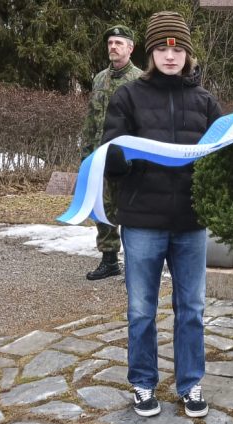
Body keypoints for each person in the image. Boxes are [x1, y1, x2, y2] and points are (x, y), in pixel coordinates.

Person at [101, 11, 233, 419]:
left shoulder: (204, 102)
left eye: (178, 48)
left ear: (188, 53)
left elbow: (223, 155)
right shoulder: (127, 97)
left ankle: (190, 383)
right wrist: (117, 161)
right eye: (163, 48)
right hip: (143, 222)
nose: (171, 55)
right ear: (151, 52)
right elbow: (110, 149)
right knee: (141, 309)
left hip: (190, 223)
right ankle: (144, 383)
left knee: (192, 309)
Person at [81, 24, 142, 280]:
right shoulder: (99, 78)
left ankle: (136, 263)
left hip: (126, 156)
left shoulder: (140, 80)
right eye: (110, 43)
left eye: (119, 43)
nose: (113, 47)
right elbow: (92, 118)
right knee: (101, 207)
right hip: (99, 154)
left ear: (130, 48)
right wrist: (86, 152)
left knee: (129, 207)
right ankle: (109, 260)